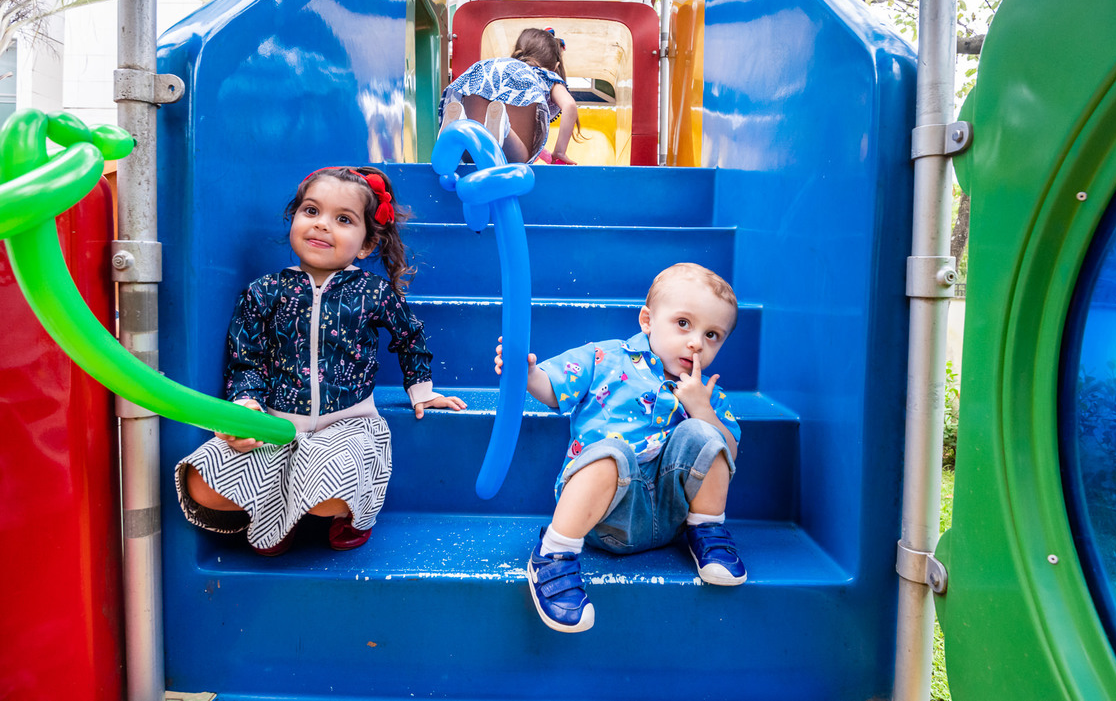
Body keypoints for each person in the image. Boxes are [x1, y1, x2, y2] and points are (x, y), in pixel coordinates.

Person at [175, 166, 466, 556]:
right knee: (200, 482)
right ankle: (275, 521)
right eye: (311, 211)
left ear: (365, 245)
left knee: (328, 490)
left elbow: (408, 336)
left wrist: (421, 391)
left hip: (348, 425)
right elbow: (247, 358)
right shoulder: (264, 291)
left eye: (343, 219)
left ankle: (342, 515)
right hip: (277, 423)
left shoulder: (373, 292)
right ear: (293, 218)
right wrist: (247, 404)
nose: (322, 226)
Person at [494, 263, 746, 633]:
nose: (696, 342)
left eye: (712, 335)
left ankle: (707, 531)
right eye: (683, 324)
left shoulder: (709, 395)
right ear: (648, 320)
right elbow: (552, 389)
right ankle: (553, 554)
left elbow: (727, 454)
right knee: (610, 451)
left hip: (672, 516)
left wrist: (702, 409)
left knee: (704, 434)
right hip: (604, 513)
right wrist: (527, 375)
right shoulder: (605, 358)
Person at [438, 27, 581, 164]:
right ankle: (505, 128)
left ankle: (457, 125)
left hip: (481, 72)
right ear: (555, 66)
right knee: (520, 158)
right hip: (507, 140)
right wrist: (560, 152)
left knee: (473, 152)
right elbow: (569, 105)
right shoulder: (545, 75)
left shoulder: (495, 64)